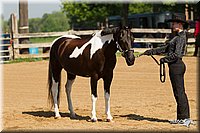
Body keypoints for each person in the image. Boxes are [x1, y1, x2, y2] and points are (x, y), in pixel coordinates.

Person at [143, 17, 194, 127]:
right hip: (175, 66)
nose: (172, 25)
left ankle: (184, 118)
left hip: (176, 66)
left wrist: (164, 59)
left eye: (174, 23)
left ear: (180, 24)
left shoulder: (181, 37)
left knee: (179, 92)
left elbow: (177, 55)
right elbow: (166, 48)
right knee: (178, 92)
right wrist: (150, 51)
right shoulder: (177, 37)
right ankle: (182, 118)